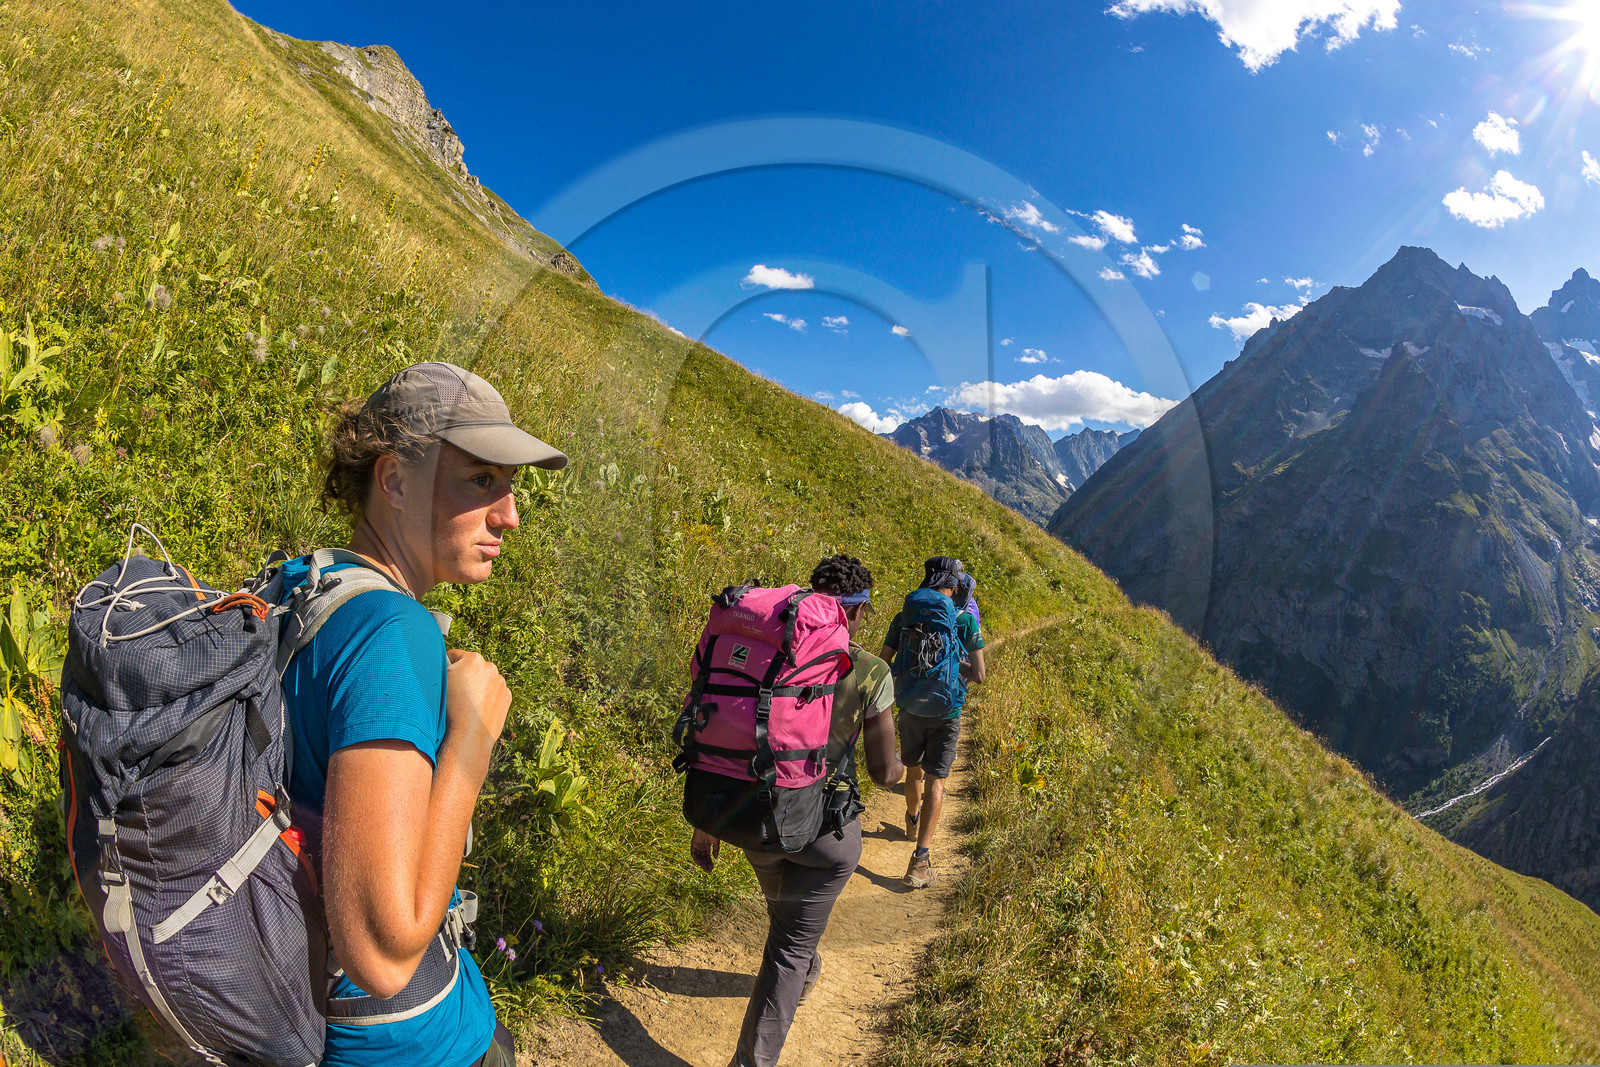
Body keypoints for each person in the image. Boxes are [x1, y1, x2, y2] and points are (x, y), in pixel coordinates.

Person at [281, 361, 567, 1066]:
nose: (510, 513)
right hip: (406, 1041)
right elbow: (381, 951)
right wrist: (473, 736)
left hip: (312, 1015)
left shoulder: (307, 585)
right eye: (480, 481)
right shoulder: (391, 632)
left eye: (510, 485)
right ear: (396, 480)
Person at [690, 555, 903, 1067]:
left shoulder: (773, 656)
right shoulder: (871, 671)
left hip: (756, 818)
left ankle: (805, 966)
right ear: (858, 611)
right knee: (788, 948)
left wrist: (706, 827)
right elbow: (881, 771)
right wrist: (903, 770)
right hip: (822, 836)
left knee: (785, 916)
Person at [880, 564, 986, 889]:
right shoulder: (965, 620)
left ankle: (911, 820)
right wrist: (954, 664)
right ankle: (919, 862)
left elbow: (884, 663)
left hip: (910, 707)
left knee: (913, 771)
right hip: (946, 711)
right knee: (936, 784)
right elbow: (980, 675)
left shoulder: (904, 617)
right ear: (953, 589)